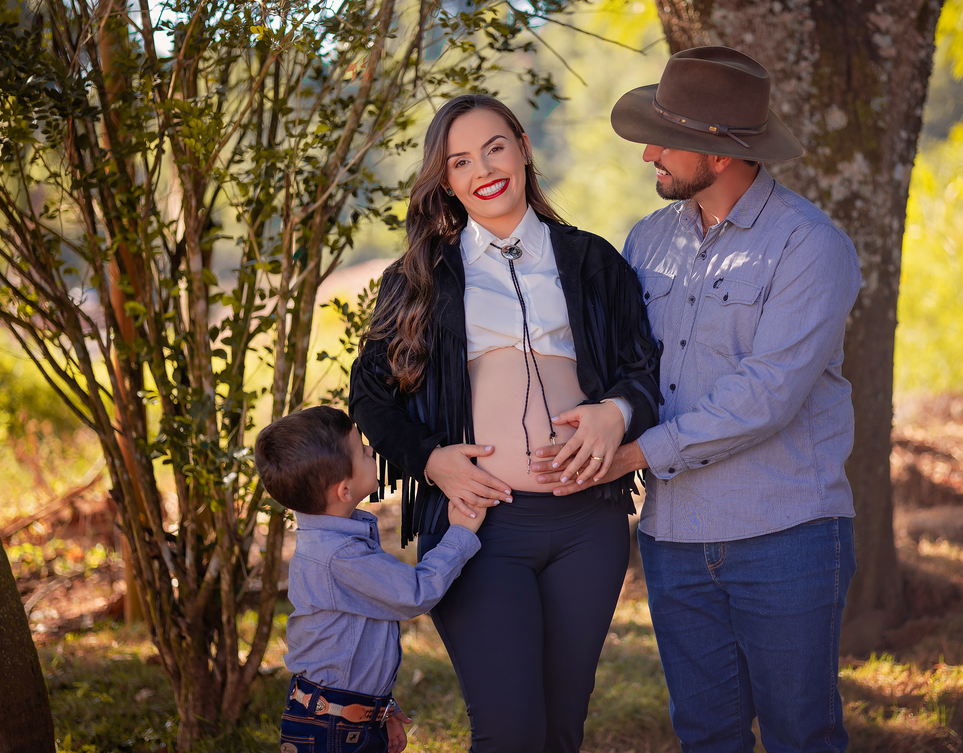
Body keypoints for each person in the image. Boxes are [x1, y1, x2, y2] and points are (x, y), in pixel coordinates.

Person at [534, 47, 862, 752]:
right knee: (706, 737)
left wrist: (632, 454)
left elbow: (766, 395)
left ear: (721, 153)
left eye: (666, 138)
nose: (648, 152)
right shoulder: (647, 241)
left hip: (785, 536)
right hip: (673, 541)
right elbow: (628, 368)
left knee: (801, 736)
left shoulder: (809, 247)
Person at [348, 94, 660, 753]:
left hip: (589, 527)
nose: (484, 170)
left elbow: (645, 370)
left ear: (522, 147)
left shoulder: (592, 260)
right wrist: (429, 460)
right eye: (460, 161)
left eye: (495, 148)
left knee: (559, 732)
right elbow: (371, 396)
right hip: (477, 529)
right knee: (511, 733)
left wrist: (615, 413)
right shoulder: (420, 277)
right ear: (446, 181)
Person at [254, 405, 485, 753]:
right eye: (362, 451)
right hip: (331, 731)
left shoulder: (328, 540)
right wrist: (461, 535)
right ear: (344, 490)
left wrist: (378, 709)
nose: (371, 449)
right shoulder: (340, 555)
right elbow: (415, 593)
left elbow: (348, 652)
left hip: (337, 716)